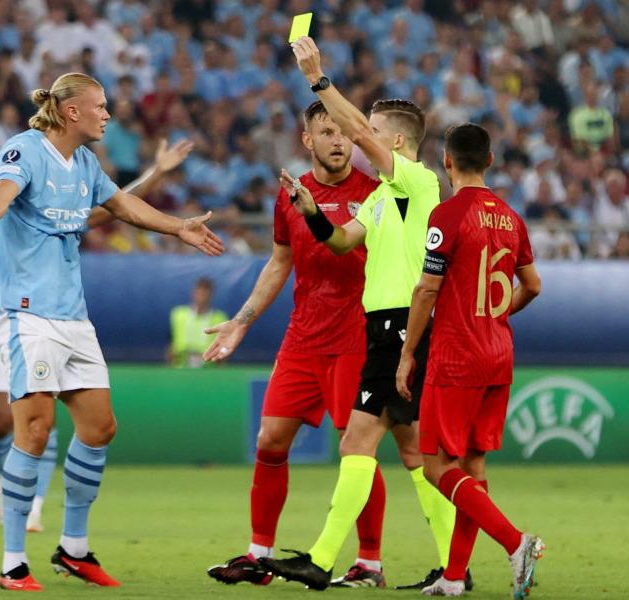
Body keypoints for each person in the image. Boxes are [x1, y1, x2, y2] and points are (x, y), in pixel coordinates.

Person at [0, 73, 223, 592]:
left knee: (100, 428)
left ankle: (74, 549)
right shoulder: (22, 150)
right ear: (71, 111)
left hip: (74, 317)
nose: (107, 115)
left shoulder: (87, 164)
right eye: (100, 106)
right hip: (28, 315)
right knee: (34, 429)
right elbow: (0, 193)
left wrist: (178, 225)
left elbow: (123, 207)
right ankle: (12, 561)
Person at [0, 109, 193, 532]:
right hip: (3, 314)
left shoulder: (59, 190)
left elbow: (111, 207)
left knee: (39, 419)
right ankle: (3, 481)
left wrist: (156, 172)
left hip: (51, 313)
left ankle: (34, 507)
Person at [259, 38, 457, 591]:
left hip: (401, 326)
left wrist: (317, 77)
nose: (353, 135)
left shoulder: (416, 182)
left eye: (367, 129)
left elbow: (361, 130)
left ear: (393, 140)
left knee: (361, 444)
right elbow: (343, 242)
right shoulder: (381, 198)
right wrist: (311, 214)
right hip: (386, 329)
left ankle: (323, 560)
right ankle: (450, 568)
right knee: (416, 452)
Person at [205, 101, 387, 588]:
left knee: (357, 450)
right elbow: (279, 261)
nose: (336, 140)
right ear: (307, 140)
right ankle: (258, 555)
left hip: (356, 337)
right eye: (325, 132)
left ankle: (369, 562)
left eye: (343, 132)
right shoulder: (290, 196)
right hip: (303, 338)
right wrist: (241, 321)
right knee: (269, 441)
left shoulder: (375, 193)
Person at [396, 123, 544, 597]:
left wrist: (407, 353)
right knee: (473, 468)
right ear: (492, 160)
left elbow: (427, 289)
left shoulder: (447, 215)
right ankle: (455, 576)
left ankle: (516, 542)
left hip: (457, 355)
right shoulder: (511, 217)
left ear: (447, 161)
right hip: (499, 355)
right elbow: (534, 285)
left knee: (436, 465)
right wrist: (498, 314)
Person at [168, 277, 227, 368]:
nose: (202, 296)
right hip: (181, 367)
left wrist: (220, 357)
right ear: (193, 293)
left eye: (205, 293)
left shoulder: (219, 317)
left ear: (210, 295)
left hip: (209, 368)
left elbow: (223, 348)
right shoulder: (178, 314)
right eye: (199, 292)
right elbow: (172, 344)